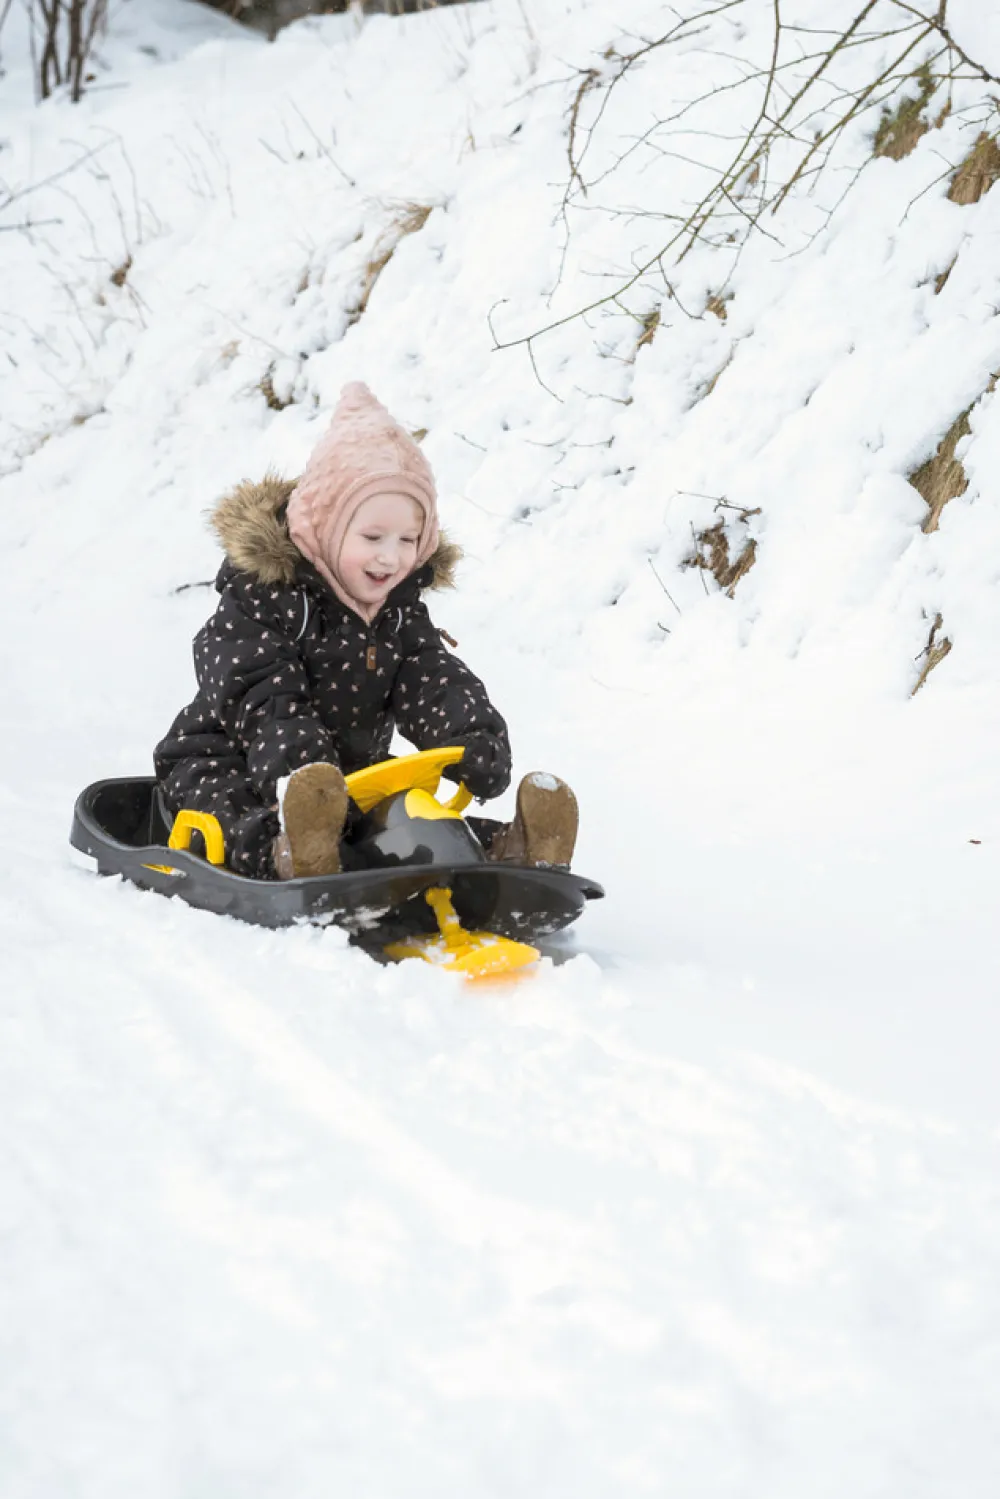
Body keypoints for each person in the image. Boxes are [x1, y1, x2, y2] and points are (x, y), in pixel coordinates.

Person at [154, 381, 578, 880]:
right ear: (324, 530)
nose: (390, 556)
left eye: (408, 540)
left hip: (343, 781)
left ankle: (509, 849)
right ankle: (289, 854)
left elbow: (431, 678)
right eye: (373, 537)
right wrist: (303, 771)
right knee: (236, 811)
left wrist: (472, 737)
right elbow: (260, 693)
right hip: (229, 760)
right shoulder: (264, 600)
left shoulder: (398, 613)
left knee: (401, 816)